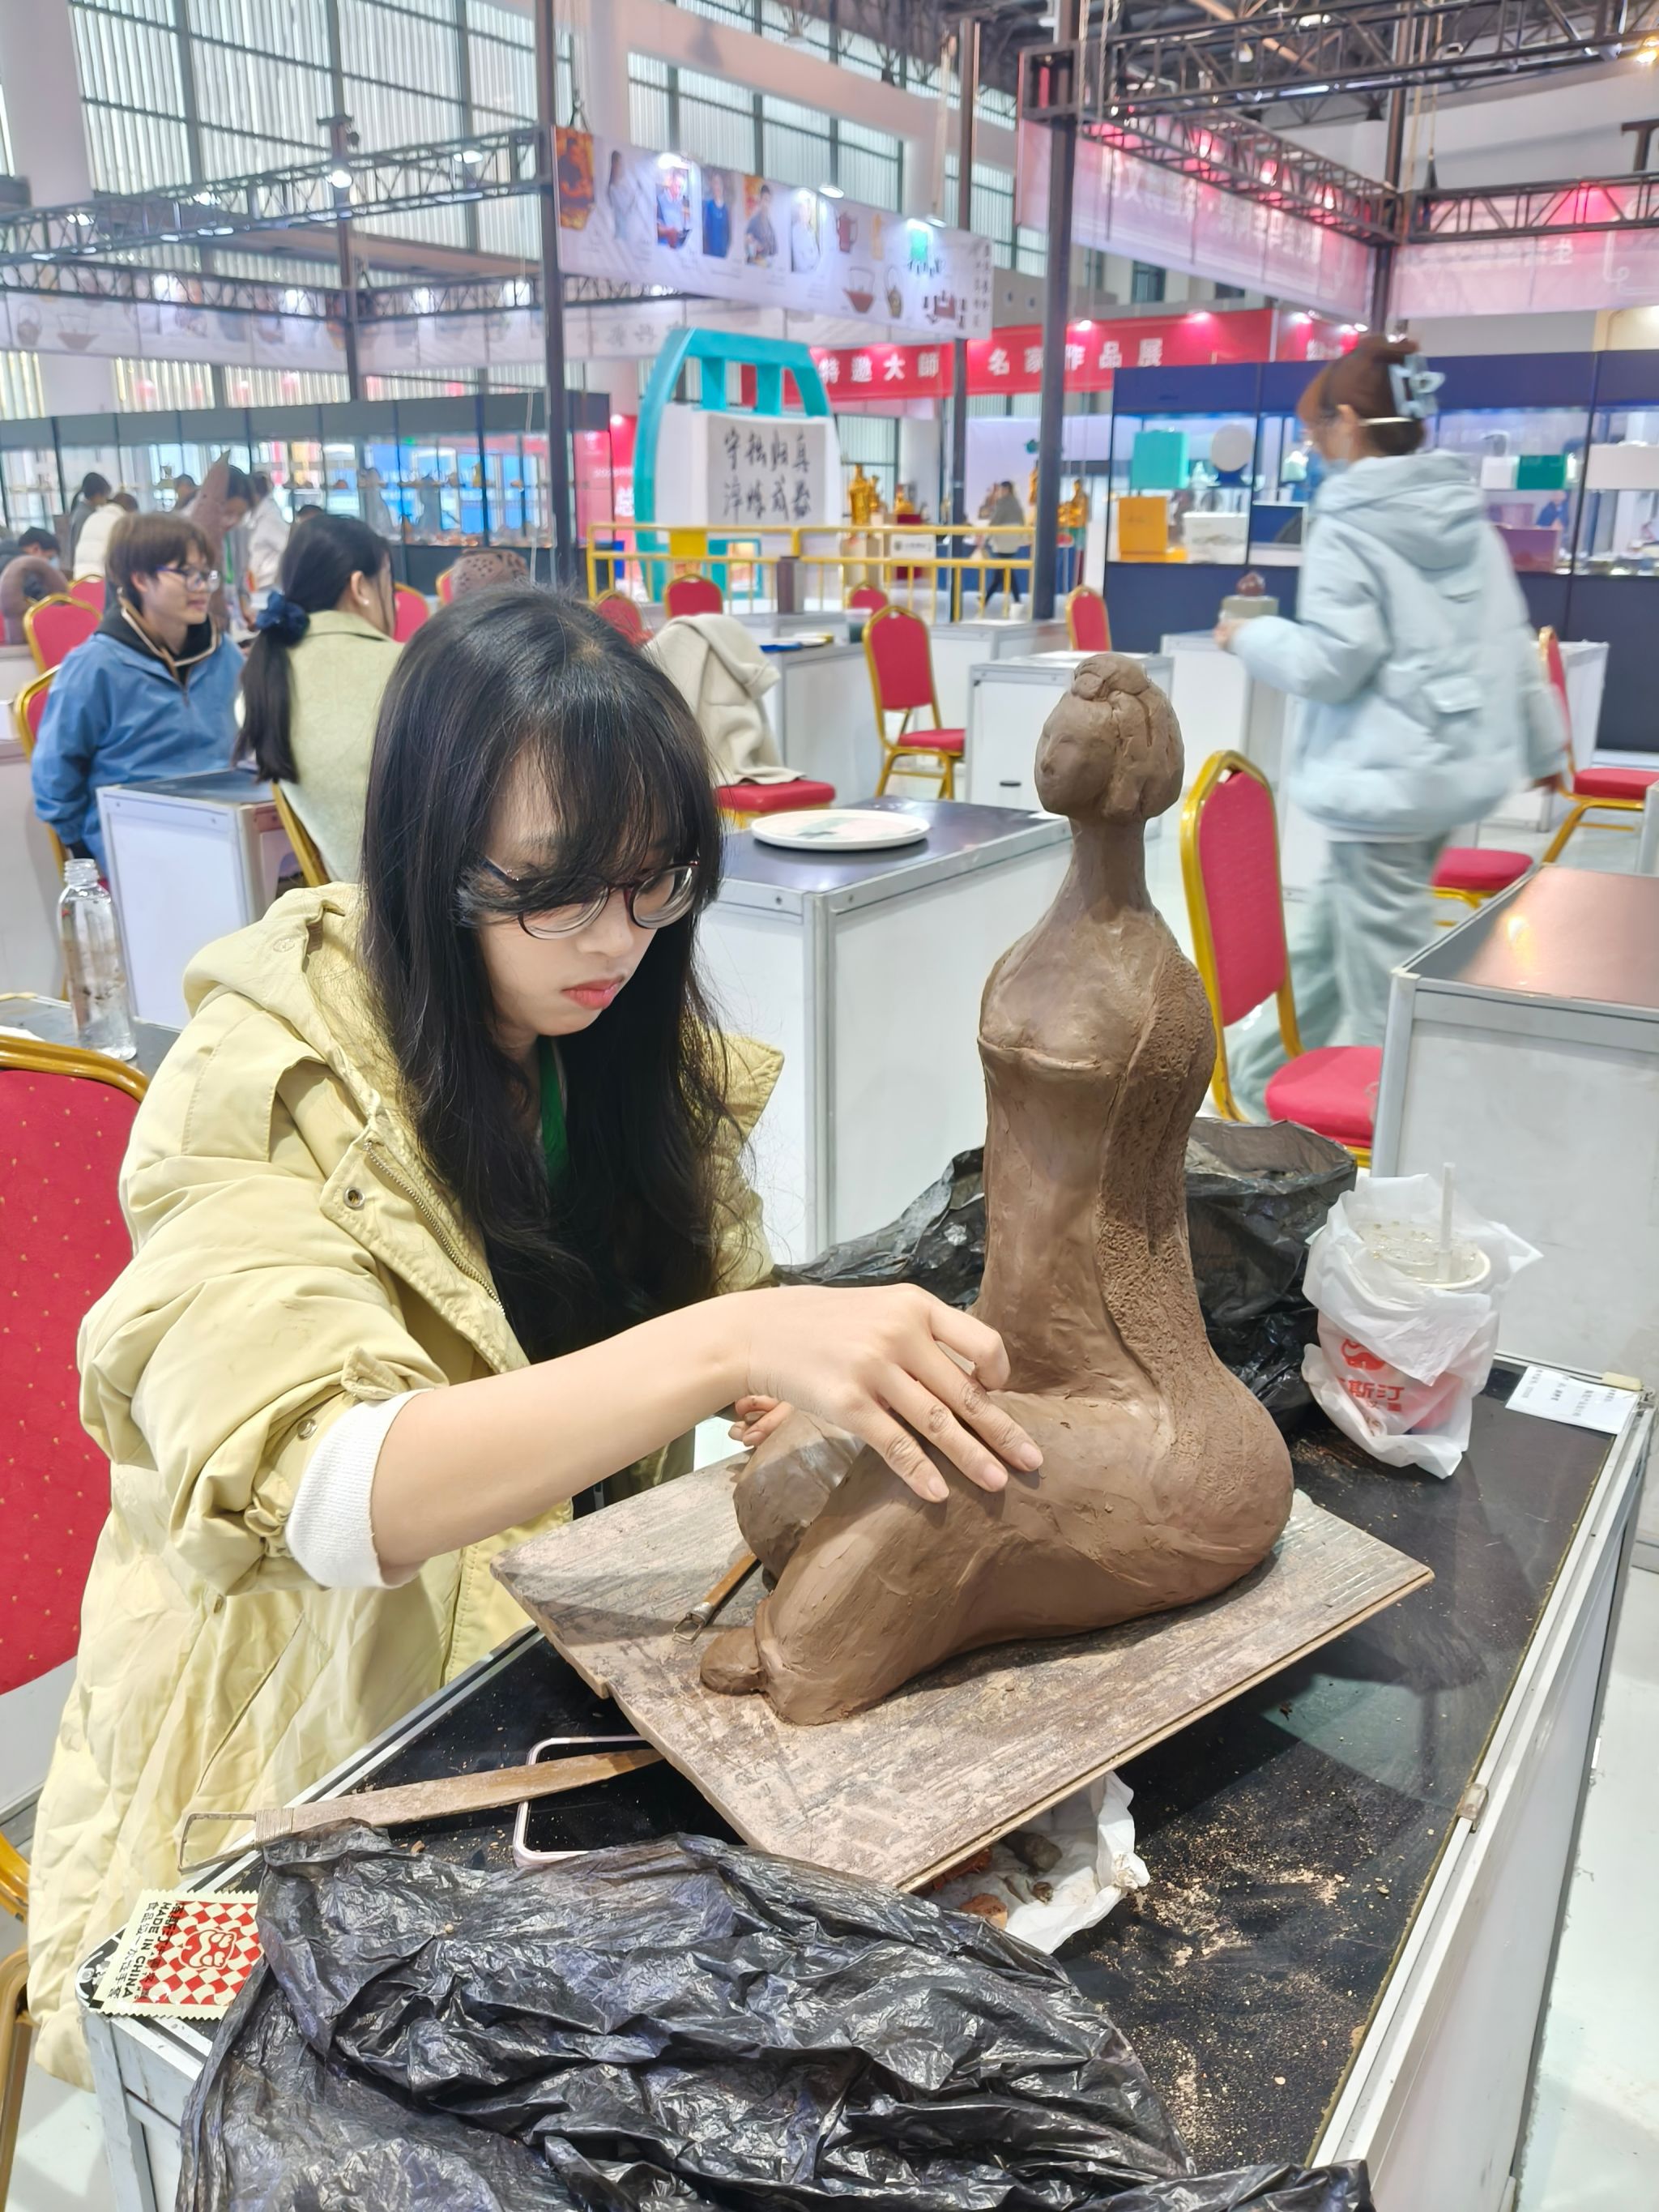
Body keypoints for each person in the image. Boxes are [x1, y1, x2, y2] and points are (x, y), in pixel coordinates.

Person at [26, 591, 1040, 2083]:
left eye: (653, 880)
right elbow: (327, 1492)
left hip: (533, 1682)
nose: (617, 937)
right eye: (555, 890)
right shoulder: (269, 1072)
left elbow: (679, 1366)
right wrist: (731, 1343)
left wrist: (775, 1406)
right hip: (306, 1724)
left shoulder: (618, 1048)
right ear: (430, 854)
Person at [1216, 335, 1564, 1114]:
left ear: (1347, 422)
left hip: (1382, 782)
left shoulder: (1350, 519)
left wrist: (1250, 637)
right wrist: (1546, 745)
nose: (1316, 447)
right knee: (1326, 944)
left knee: (1385, 994)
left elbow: (1335, 661)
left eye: (1316, 431)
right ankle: (1255, 1091)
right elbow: (1511, 639)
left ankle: (1395, 1134)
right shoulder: (1460, 513)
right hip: (1444, 772)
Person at [29, 511, 241, 869]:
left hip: (226, 825)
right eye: (185, 572)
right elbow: (55, 776)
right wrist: (82, 849)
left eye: (205, 573)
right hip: (135, 839)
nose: (201, 586)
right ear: (140, 578)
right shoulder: (97, 665)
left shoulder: (224, 654)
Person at [239, 512, 401, 879]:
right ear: (360, 587)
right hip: (441, 903)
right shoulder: (406, 667)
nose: (394, 602)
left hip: (351, 899)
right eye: (388, 582)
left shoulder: (264, 678)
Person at [243, 470, 292, 602]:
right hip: (256, 584)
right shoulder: (255, 515)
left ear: (255, 495)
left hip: (269, 585)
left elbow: (288, 548)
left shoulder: (271, 518)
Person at [70, 488, 137, 582]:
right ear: (130, 511)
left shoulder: (93, 517)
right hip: (102, 580)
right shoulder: (121, 523)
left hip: (80, 579)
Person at [65, 470, 110, 569]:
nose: (106, 500)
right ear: (97, 495)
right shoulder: (85, 515)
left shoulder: (84, 511)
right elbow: (79, 545)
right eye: (105, 496)